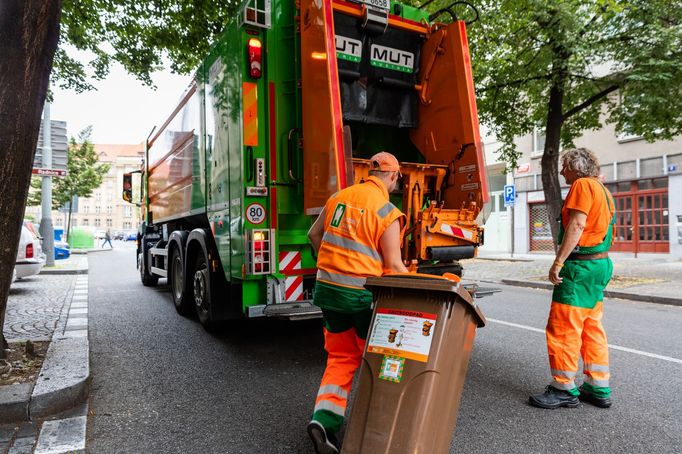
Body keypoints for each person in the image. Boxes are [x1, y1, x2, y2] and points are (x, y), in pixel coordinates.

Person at [306, 151, 408, 454]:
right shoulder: (387, 211)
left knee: (341, 357)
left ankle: (325, 420)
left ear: (371, 172)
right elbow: (393, 266)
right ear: (393, 176)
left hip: (328, 293)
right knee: (377, 360)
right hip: (362, 299)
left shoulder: (339, 197)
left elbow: (315, 235)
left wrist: (332, 267)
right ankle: (376, 429)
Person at [529, 148, 615, 410]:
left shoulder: (581, 185)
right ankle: (598, 386)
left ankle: (563, 388)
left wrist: (559, 261)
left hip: (580, 268)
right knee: (591, 327)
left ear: (576, 168)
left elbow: (577, 226)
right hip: (599, 265)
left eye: (564, 166)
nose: (561, 171)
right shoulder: (603, 190)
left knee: (564, 328)